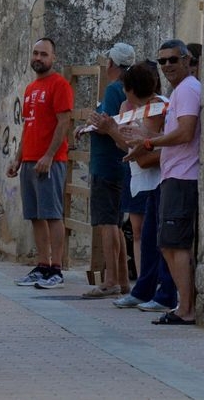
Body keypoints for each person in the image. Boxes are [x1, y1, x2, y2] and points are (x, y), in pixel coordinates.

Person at [124, 39, 201, 325]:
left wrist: (148, 141)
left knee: (175, 245)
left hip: (183, 177)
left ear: (187, 60)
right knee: (167, 244)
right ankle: (183, 306)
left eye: (173, 59)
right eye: (162, 61)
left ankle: (186, 309)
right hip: (173, 176)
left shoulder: (189, 89)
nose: (167, 65)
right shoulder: (180, 91)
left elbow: (185, 132)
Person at [96, 62, 178, 312]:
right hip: (148, 181)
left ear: (130, 90)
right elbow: (131, 147)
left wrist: (111, 131)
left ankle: (165, 294)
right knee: (149, 236)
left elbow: (141, 150)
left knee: (159, 239)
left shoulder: (155, 108)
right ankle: (143, 290)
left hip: (158, 179)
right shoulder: (142, 108)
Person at [7, 38, 74, 289]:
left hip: (51, 161)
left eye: (44, 54)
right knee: (35, 215)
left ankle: (56, 269)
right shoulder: (31, 88)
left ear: (53, 57)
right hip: (30, 161)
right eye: (35, 53)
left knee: (52, 214)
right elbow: (28, 125)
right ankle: (42, 266)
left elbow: (64, 122)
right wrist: (18, 158)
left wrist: (49, 155)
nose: (38, 58)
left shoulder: (60, 85)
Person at [77, 42, 134, 298]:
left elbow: (107, 123)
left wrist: (91, 121)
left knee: (107, 223)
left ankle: (110, 280)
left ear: (111, 63)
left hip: (107, 163)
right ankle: (121, 279)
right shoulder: (126, 89)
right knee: (116, 224)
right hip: (118, 163)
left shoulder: (113, 89)